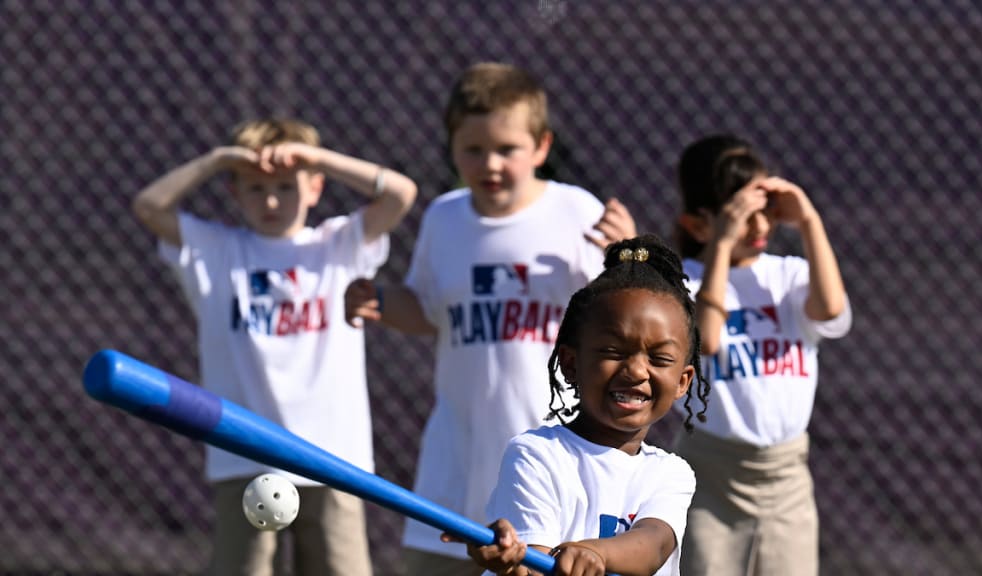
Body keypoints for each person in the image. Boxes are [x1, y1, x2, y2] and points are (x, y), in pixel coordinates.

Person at [344, 62, 636, 576]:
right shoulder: (444, 217)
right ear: (452, 148)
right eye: (473, 150)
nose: (490, 164)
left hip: (552, 464)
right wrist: (382, 302)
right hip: (455, 466)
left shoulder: (576, 213)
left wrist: (627, 256)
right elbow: (428, 309)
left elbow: (625, 316)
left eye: (507, 149)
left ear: (542, 147)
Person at [131, 118, 418, 576]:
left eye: (286, 187)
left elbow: (401, 194)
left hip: (332, 458)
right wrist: (217, 160)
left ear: (315, 188)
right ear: (234, 192)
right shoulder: (217, 251)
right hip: (243, 456)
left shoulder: (338, 245)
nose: (270, 200)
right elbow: (148, 206)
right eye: (254, 187)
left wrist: (317, 157)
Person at [445, 235, 712, 576]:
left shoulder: (670, 473)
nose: (635, 371)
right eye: (613, 352)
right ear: (571, 364)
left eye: (659, 358)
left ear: (682, 382)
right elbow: (532, 566)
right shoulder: (537, 454)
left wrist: (592, 552)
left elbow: (653, 545)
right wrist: (511, 566)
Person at [671, 134, 852, 576]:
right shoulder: (680, 283)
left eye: (765, 213)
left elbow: (830, 309)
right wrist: (721, 247)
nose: (758, 228)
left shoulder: (787, 276)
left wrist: (808, 221)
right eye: (741, 217)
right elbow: (706, 341)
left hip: (786, 475)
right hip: (712, 474)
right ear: (698, 225)